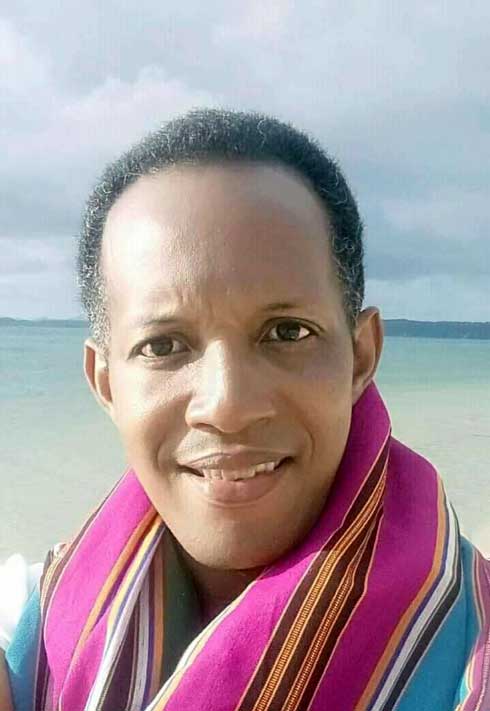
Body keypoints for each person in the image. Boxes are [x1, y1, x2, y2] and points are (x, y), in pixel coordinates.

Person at [1, 108, 488, 711]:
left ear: (361, 356)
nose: (227, 406)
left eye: (287, 333)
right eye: (163, 346)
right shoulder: (34, 625)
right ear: (105, 383)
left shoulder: (471, 648)